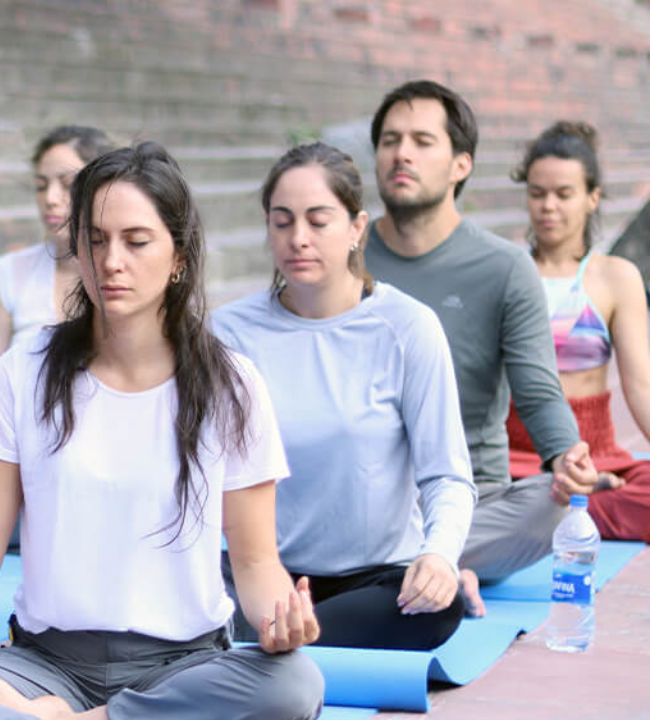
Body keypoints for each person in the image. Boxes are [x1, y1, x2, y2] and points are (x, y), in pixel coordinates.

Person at [0, 142, 324, 720]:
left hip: (184, 667)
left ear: (179, 257)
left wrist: (279, 622)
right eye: (95, 240)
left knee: (292, 685)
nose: (111, 260)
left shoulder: (232, 384)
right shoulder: (24, 371)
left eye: (136, 241)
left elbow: (253, 562)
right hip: (46, 662)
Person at [214, 142, 475, 650]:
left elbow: (447, 475)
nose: (298, 239)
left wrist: (440, 557)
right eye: (282, 221)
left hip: (373, 582)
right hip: (257, 578)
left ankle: (275, 645)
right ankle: (278, 638)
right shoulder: (227, 333)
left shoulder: (408, 328)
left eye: (319, 221)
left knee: (439, 607)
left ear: (357, 227)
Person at [362, 80, 598, 616]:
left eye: (423, 140)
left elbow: (537, 388)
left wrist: (565, 455)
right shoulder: (341, 254)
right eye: (390, 140)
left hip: (469, 497)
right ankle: (432, 571)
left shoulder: (504, 267)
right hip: (362, 495)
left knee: (553, 507)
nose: (402, 153)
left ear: (461, 165)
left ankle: (399, 568)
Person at [506, 121, 650, 543]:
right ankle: (565, 505)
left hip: (597, 453)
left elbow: (640, 385)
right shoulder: (505, 269)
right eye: (537, 193)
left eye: (563, 194)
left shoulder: (614, 276)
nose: (548, 206)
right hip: (518, 456)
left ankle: (557, 507)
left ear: (592, 198)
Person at [0, 126, 116, 377]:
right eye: (41, 186)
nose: (50, 198)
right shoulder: (11, 271)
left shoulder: (121, 271)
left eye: (68, 184)